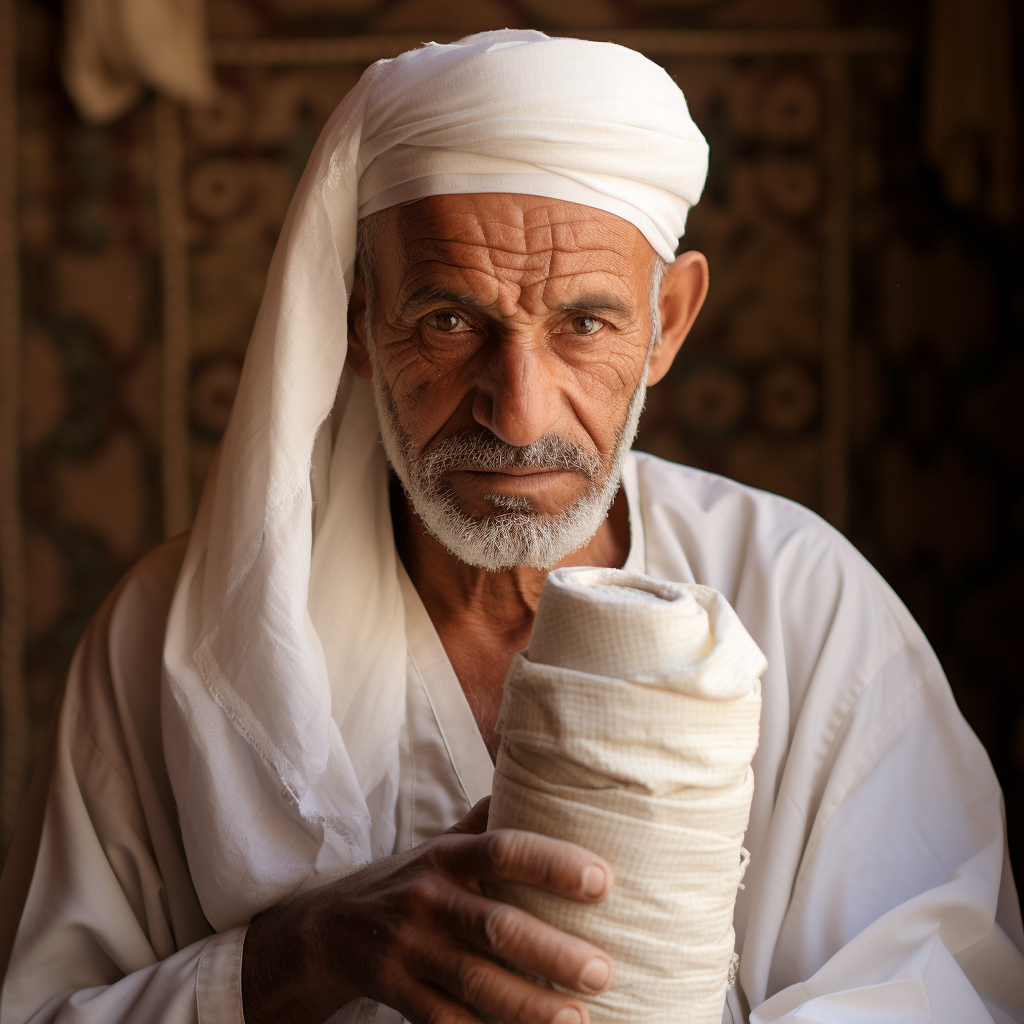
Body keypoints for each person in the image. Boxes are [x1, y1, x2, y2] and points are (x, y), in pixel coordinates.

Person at [2, 28, 1022, 1024]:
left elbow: (943, 983)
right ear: (358, 321)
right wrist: (295, 961)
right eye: (449, 321)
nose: (518, 412)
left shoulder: (802, 603)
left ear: (667, 321)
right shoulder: (168, 642)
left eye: (584, 323)